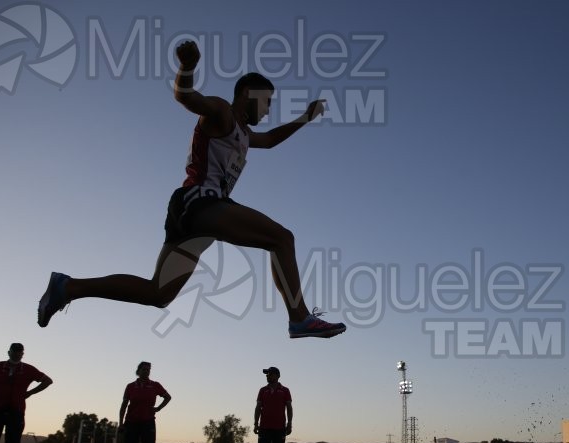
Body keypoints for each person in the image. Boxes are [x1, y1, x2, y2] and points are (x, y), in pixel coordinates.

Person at [37, 39, 345, 340]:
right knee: (281, 238)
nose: (267, 110)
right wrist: (187, 66)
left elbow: (272, 139)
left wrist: (306, 117)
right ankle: (299, 317)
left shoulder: (245, 135)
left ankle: (68, 287)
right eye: (267, 101)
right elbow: (186, 97)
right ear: (249, 93)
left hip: (197, 219)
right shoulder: (222, 112)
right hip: (200, 203)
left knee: (158, 293)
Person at [119, 361, 171, 443]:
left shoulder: (155, 385)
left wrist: (158, 408)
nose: (146, 371)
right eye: (144, 369)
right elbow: (124, 405)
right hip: (131, 422)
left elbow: (168, 397)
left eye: (148, 370)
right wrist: (121, 423)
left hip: (148, 422)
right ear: (138, 371)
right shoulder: (130, 386)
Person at [253, 366, 293, 443]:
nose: (267, 376)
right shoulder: (262, 390)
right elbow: (258, 408)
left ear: (276, 375)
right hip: (264, 427)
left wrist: (289, 423)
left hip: (280, 428)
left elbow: (289, 408)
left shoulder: (285, 390)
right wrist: (256, 424)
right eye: (267, 374)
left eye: (269, 374)